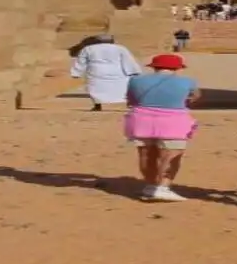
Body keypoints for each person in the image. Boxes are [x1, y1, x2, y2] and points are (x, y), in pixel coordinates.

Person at [124, 54, 201, 202]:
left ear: (154, 67)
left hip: (141, 119)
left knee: (146, 154)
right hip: (173, 120)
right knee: (171, 155)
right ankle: (163, 187)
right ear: (178, 68)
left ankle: (150, 185)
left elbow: (131, 99)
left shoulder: (136, 80)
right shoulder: (187, 81)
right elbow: (194, 97)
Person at [69, 34, 142, 112]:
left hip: (96, 71)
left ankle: (97, 106)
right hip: (117, 71)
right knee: (122, 88)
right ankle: (129, 104)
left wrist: (76, 72)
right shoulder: (120, 48)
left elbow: (81, 61)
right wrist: (134, 71)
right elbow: (128, 60)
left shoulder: (88, 49)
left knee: (96, 89)